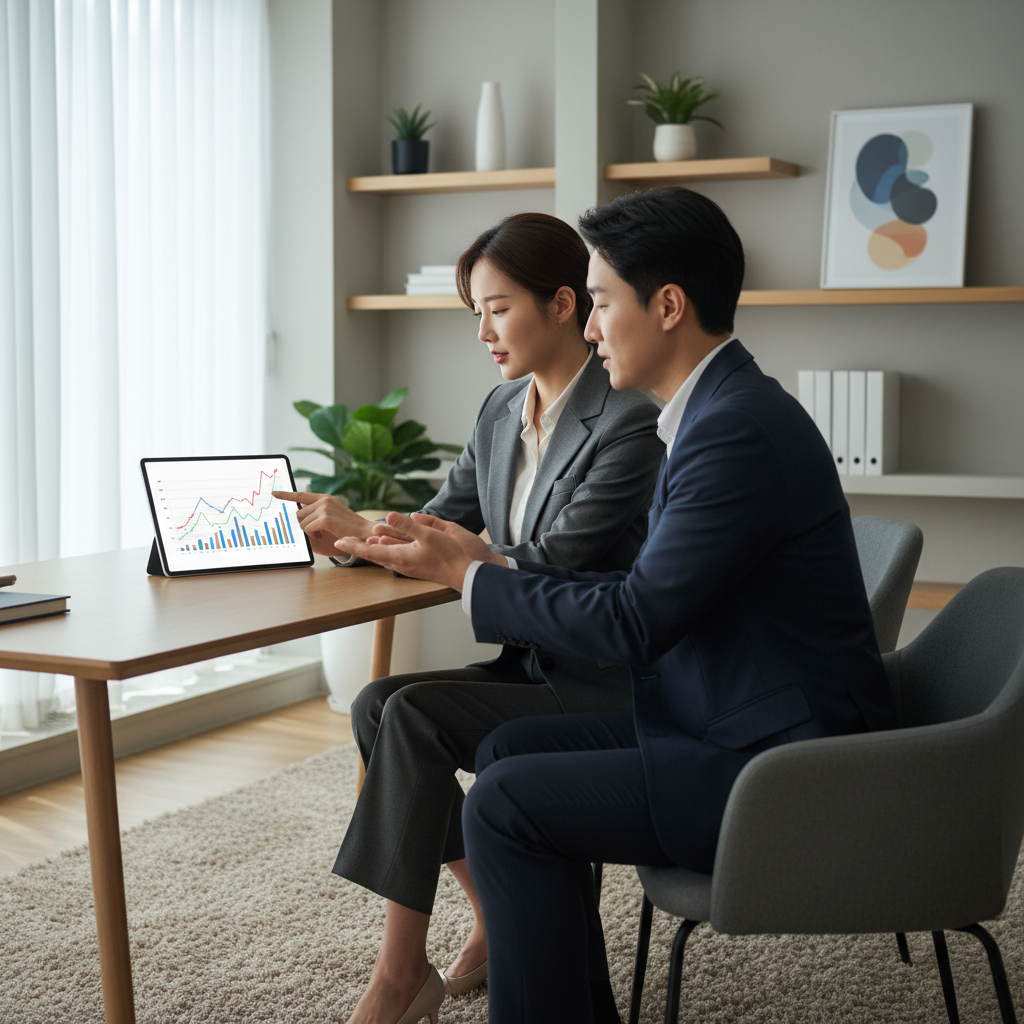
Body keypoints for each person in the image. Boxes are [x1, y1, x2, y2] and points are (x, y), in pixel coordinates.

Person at [338, 187, 899, 1024]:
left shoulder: (731, 430)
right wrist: (470, 569)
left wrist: (475, 578)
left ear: (668, 305)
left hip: (778, 761)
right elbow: (641, 596)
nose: (591, 326)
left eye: (600, 302)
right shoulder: (711, 412)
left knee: (505, 799)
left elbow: (637, 622)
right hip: (722, 717)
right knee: (505, 753)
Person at [275, 212, 664, 1024]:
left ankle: (398, 976)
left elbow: (564, 556)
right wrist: (354, 534)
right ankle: (491, 917)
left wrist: (456, 557)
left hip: (605, 676)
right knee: (379, 706)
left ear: (564, 305)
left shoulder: (627, 419)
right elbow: (441, 520)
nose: (483, 330)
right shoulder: (499, 410)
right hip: (530, 666)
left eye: (498, 307)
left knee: (409, 712)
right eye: (474, 313)